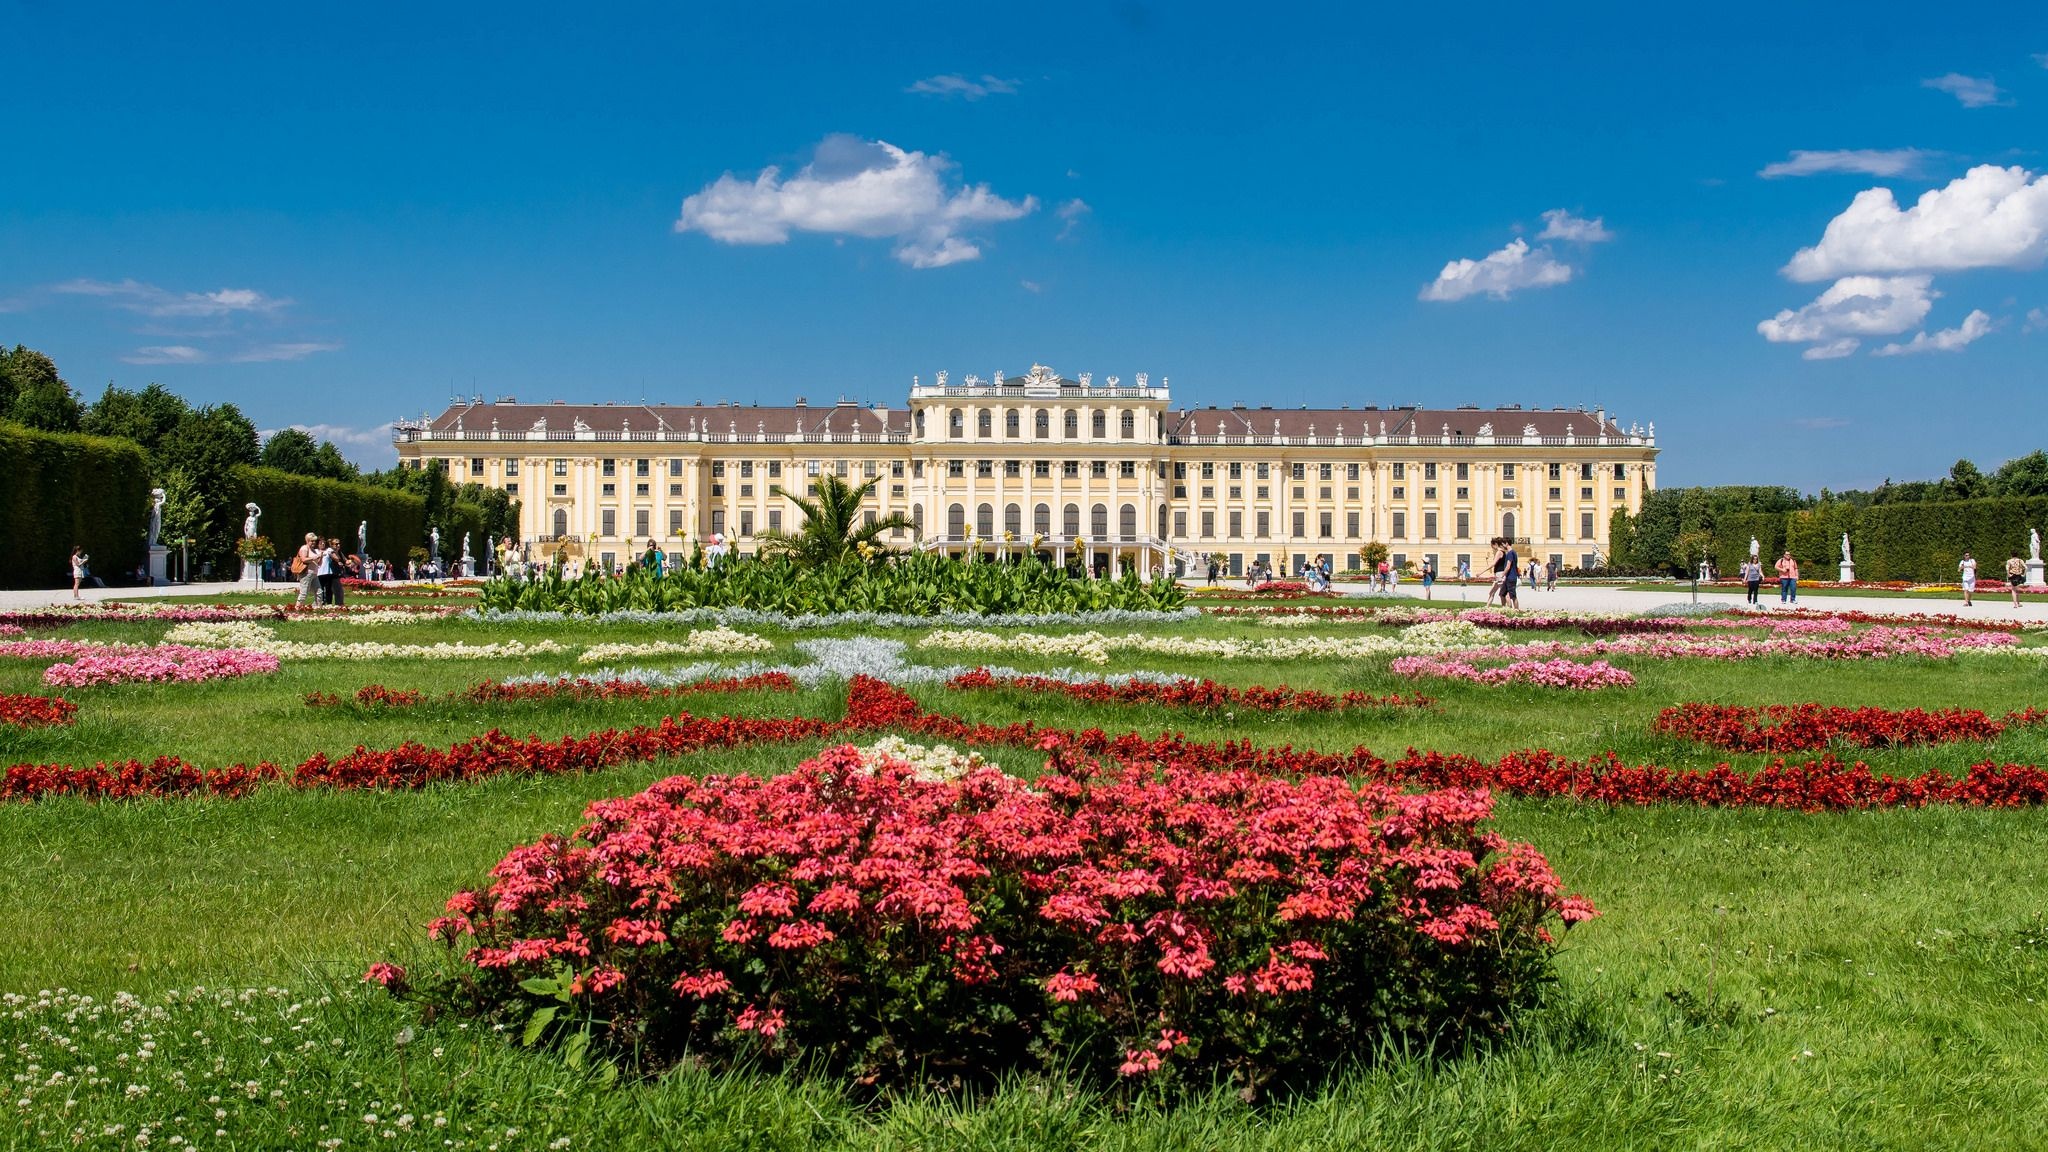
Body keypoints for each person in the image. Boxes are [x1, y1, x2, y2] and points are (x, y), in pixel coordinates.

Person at [293, 533, 320, 606]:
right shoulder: (304, 548)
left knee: (319, 592)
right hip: (306, 573)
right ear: (307, 540)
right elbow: (304, 559)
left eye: (314, 541)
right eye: (312, 541)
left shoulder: (313, 550)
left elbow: (318, 562)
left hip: (314, 573)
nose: (314, 542)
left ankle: (317, 608)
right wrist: (315, 557)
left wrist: (320, 557)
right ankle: (297, 608)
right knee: (304, 593)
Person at [1500, 539, 1521, 609]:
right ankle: (1506, 609)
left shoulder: (1510, 553)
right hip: (1509, 577)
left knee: (1513, 596)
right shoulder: (1512, 553)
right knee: (1502, 594)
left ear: (1506, 543)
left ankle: (1516, 610)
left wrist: (1502, 574)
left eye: (1503, 544)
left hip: (1511, 577)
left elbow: (1508, 566)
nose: (1502, 546)